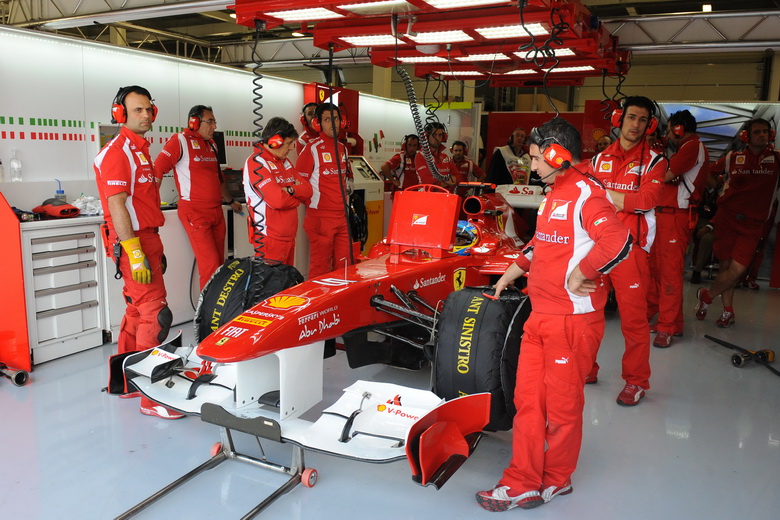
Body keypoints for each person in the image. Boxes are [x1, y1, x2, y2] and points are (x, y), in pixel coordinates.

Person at [476, 118, 632, 512]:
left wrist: (583, 272)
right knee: (528, 402)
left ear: (557, 154)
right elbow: (541, 242)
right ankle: (523, 481)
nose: (531, 166)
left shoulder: (587, 194)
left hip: (572, 323)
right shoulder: (554, 193)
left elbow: (618, 240)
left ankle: (558, 479)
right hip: (540, 315)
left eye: (535, 158)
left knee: (562, 409)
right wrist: (511, 272)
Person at [94, 85, 182, 420]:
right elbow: (117, 206)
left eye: (148, 109)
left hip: (147, 239)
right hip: (134, 241)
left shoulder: (140, 151)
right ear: (120, 114)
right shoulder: (117, 152)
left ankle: (127, 383)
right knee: (155, 315)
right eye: (137, 110)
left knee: (136, 311)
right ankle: (152, 397)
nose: (146, 115)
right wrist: (134, 251)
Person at [586, 96, 667, 405]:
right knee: (589, 313)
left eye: (642, 119)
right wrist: (619, 199)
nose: (636, 124)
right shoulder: (598, 159)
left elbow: (645, 202)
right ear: (619, 119)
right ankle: (587, 368)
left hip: (631, 251)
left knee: (634, 321)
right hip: (597, 248)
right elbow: (586, 201)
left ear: (650, 125)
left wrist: (602, 194)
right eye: (631, 117)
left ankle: (636, 381)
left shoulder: (656, 162)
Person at [695, 118, 780, 327]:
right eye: (757, 132)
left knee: (738, 270)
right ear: (746, 136)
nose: (762, 135)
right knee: (725, 266)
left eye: (765, 131)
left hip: (754, 224)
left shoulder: (777, 159)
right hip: (727, 218)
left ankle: (706, 296)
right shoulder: (733, 157)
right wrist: (719, 189)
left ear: (771, 135)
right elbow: (707, 172)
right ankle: (728, 312)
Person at [154, 105, 243, 290]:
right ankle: (207, 308)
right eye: (210, 122)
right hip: (195, 212)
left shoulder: (212, 144)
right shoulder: (180, 141)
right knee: (210, 265)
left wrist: (230, 201)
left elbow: (218, 176)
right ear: (194, 122)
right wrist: (151, 205)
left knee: (220, 265)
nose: (214, 126)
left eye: (214, 122)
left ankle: (218, 304)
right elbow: (158, 170)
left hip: (216, 212)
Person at [646, 110, 709, 347]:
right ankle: (673, 322)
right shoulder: (685, 148)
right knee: (659, 271)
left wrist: (655, 155)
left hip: (676, 217)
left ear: (678, 129)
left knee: (670, 273)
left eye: (669, 128)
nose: (667, 134)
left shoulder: (693, 146)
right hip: (664, 215)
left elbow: (664, 175)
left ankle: (667, 327)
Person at [243, 117, 312, 265]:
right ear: (275, 142)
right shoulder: (256, 163)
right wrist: (296, 199)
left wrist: (289, 190)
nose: (291, 148)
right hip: (269, 240)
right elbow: (278, 201)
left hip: (289, 237)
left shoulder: (285, 162)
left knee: (287, 279)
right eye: (289, 143)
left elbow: (308, 191)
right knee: (271, 281)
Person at [297, 103, 354, 278]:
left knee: (345, 266)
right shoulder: (311, 148)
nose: (333, 124)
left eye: (335, 119)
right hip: (320, 218)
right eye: (327, 119)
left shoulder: (342, 148)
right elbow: (299, 184)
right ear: (318, 123)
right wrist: (314, 205)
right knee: (320, 268)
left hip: (342, 216)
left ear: (341, 121)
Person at [414, 121, 460, 189]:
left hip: (446, 195)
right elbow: (428, 182)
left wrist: (440, 183)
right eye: (434, 135)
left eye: (440, 135)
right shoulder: (421, 156)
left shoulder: (446, 157)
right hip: (427, 195)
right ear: (427, 136)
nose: (437, 138)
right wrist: (449, 182)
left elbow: (459, 178)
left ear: (444, 137)